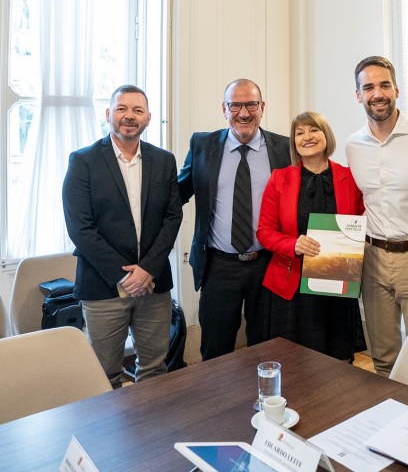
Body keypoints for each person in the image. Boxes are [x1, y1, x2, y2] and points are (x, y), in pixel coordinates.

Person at [62, 85, 183, 388]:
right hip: (102, 287)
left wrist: (148, 270)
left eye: (137, 110)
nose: (129, 116)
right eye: (121, 109)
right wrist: (125, 276)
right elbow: (80, 228)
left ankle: (149, 432)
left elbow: (172, 217)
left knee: (155, 369)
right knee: (104, 375)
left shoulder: (164, 160)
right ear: (108, 114)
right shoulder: (83, 161)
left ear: (148, 118)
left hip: (153, 287)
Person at [178, 79, 292, 360]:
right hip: (219, 266)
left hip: (268, 263)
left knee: (267, 347)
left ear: (262, 107)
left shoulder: (285, 148)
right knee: (216, 349)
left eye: (251, 104)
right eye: (236, 105)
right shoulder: (203, 145)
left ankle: (264, 402)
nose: (243, 113)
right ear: (224, 109)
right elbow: (176, 194)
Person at [346, 56, 408, 377]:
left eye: (384, 85)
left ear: (396, 90)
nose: (378, 93)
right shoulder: (352, 145)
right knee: (383, 355)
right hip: (371, 258)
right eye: (369, 87)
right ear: (358, 95)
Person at [256, 112, 365, 361]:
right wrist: (293, 244)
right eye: (299, 133)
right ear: (293, 142)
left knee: (337, 361)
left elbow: (361, 222)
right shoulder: (279, 179)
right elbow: (264, 231)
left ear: (325, 135)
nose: (307, 137)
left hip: (337, 285)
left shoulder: (350, 178)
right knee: (295, 361)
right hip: (293, 288)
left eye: (313, 130)